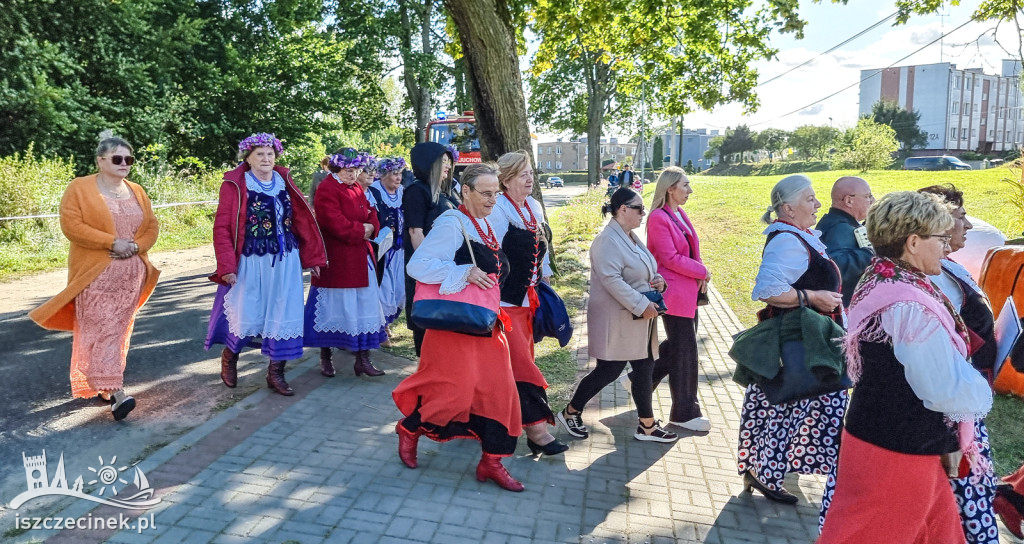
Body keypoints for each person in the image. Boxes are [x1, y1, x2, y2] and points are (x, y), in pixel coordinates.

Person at [818, 191, 992, 543]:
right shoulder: (908, 304)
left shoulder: (885, 278)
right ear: (913, 242)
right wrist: (980, 391)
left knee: (934, 532)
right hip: (896, 452)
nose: (947, 247)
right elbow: (942, 387)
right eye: (941, 238)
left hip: (889, 440)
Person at [392, 163, 525, 492]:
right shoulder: (452, 223)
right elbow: (417, 265)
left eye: (497, 193)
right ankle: (409, 430)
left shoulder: (487, 222)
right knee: (451, 394)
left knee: (501, 392)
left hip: (485, 326)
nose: (494, 199)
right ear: (465, 191)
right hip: (453, 330)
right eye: (486, 193)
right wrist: (462, 272)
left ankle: (492, 461)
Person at [30, 134, 160, 421]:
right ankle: (117, 393)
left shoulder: (137, 190)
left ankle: (107, 387)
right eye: (117, 158)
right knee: (101, 330)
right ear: (100, 161)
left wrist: (137, 247)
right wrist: (111, 242)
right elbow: (72, 225)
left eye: (129, 159)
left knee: (116, 332)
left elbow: (151, 226)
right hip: (94, 276)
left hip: (130, 278)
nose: (124, 163)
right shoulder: (80, 187)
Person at [737, 174, 846, 504]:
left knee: (796, 408)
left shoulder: (800, 236)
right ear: (788, 208)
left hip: (809, 340)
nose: (818, 205)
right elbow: (768, 291)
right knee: (790, 407)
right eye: (810, 199)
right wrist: (813, 297)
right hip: (798, 343)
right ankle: (765, 474)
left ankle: (766, 470)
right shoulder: (787, 240)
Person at [205, 133, 327, 396]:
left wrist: (313, 257)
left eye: (270, 153)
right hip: (251, 260)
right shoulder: (235, 184)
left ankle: (276, 373)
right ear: (247, 158)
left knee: (284, 314)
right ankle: (230, 357)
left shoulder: (284, 181)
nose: (266, 158)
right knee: (246, 313)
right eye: (259, 153)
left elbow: (302, 223)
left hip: (286, 260)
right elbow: (222, 228)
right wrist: (227, 266)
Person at [556, 187, 678, 443]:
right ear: (623, 209)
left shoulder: (629, 235)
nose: (644, 213)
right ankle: (570, 412)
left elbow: (643, 269)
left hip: (635, 319)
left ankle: (646, 425)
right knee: (609, 371)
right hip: (618, 318)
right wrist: (641, 303)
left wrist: (657, 282)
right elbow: (612, 280)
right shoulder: (606, 241)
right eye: (639, 209)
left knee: (644, 367)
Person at [919, 184, 999, 544]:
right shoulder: (932, 276)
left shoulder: (946, 267)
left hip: (962, 401)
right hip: (952, 409)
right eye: (961, 217)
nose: (967, 225)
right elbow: (934, 358)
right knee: (966, 494)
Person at [492, 150, 568, 456]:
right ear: (506, 179)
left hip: (529, 299)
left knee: (521, 362)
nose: (529, 179)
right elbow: (492, 256)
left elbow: (543, 249)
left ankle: (503, 423)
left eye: (531, 174)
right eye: (523, 174)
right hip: (505, 301)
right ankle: (537, 429)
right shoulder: (498, 209)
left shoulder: (533, 206)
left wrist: (544, 278)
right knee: (522, 365)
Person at [303, 148, 388, 377]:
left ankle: (363, 359)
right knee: (334, 308)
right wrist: (362, 230)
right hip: (338, 260)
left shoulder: (356, 188)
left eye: (356, 170)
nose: (353, 174)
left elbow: (370, 211)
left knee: (363, 307)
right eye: (348, 170)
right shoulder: (327, 189)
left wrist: (371, 226)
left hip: (360, 257)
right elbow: (333, 222)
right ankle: (325, 357)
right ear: (337, 168)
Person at [643, 167, 711, 431]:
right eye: (685, 185)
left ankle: (642, 379)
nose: (689, 190)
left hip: (688, 292)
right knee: (686, 353)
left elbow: (693, 249)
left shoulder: (679, 213)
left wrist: (702, 273)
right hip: (672, 293)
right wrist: (702, 271)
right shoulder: (659, 217)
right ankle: (684, 413)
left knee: (680, 345)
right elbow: (669, 258)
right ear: (670, 188)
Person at [402, 142, 459, 355]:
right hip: (428, 270)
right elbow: (415, 232)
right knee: (426, 322)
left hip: (444, 267)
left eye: (448, 161)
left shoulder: (446, 192)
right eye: (442, 162)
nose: (447, 166)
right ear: (429, 164)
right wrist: (428, 265)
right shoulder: (417, 191)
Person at [815, 176, 875, 307]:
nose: (872, 200)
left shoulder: (836, 222)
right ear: (849, 200)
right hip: (842, 311)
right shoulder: (839, 228)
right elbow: (836, 268)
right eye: (868, 196)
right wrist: (871, 252)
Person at [366, 157, 407, 338]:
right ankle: (381, 328)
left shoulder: (403, 192)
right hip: (382, 251)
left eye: (400, 174)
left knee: (400, 290)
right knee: (383, 288)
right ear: (383, 175)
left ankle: (388, 322)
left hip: (400, 249)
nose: (398, 178)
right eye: (394, 174)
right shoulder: (374, 192)